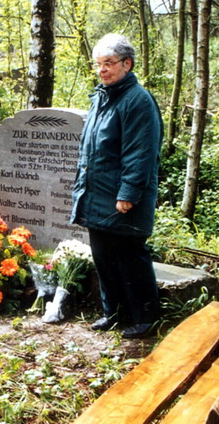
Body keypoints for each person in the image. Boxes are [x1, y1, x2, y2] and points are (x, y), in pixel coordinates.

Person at [70, 33, 163, 339]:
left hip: (123, 197)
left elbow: (140, 153)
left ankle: (146, 317)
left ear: (127, 64)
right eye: (99, 64)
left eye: (109, 63)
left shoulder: (138, 100)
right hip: (97, 194)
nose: (103, 70)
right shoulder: (102, 97)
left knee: (130, 257)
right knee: (103, 257)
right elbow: (91, 148)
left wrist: (128, 194)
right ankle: (113, 313)